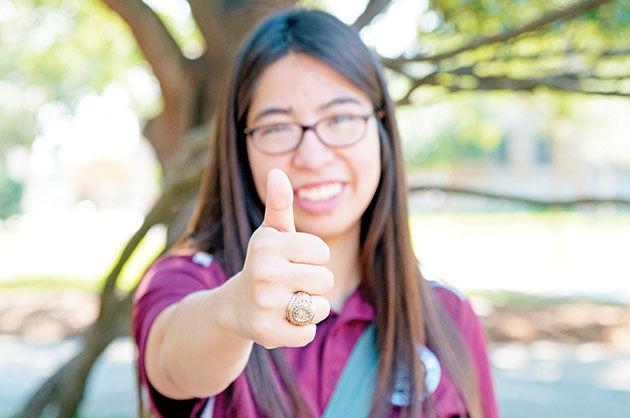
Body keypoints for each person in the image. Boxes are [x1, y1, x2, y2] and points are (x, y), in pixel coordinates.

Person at [132, 8, 499, 418]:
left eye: (340, 118)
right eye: (276, 127)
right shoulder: (189, 282)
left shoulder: (446, 315)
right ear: (240, 148)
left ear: (382, 128)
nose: (312, 155)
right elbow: (170, 361)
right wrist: (233, 311)